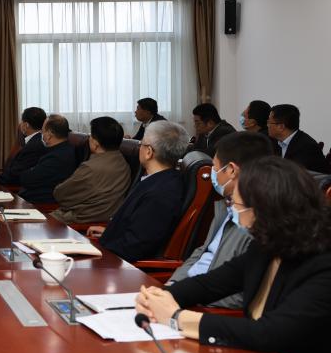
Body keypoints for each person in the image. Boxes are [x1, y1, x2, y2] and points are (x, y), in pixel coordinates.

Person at [137, 157, 331, 353]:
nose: (233, 211)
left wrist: (176, 317)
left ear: (265, 211)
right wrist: (163, 296)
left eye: (236, 204)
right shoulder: (268, 245)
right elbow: (212, 284)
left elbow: (270, 333)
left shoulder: (323, 265)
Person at [168, 131, 275, 307]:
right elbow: (202, 252)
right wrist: (173, 284)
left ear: (231, 170)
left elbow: (241, 295)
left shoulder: (256, 223)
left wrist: (183, 298)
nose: (213, 173)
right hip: (188, 293)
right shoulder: (225, 206)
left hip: (206, 306)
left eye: (215, 167)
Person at [89, 120, 188, 263]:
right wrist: (109, 232)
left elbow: (134, 246)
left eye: (141, 143)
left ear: (148, 152)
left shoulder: (161, 193)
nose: (140, 147)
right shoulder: (159, 179)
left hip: (119, 265)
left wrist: (95, 250)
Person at [52, 116, 132, 225]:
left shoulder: (90, 168)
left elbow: (60, 195)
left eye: (91, 135)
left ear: (95, 143)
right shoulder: (123, 162)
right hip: (104, 218)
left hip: (79, 220)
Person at [16, 114, 79, 204]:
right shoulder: (60, 150)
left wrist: (31, 170)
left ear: (49, 134)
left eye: (42, 131)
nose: (41, 134)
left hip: (43, 205)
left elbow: (27, 179)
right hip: (33, 199)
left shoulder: (57, 157)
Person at [267, 104, 329, 173]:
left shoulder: (307, 148)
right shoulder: (276, 142)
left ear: (281, 127)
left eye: (269, 122)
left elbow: (292, 175)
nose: (267, 125)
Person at [0, 107, 47, 185]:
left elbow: (16, 174)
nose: (20, 124)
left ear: (26, 125)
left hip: (16, 188)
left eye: (21, 121)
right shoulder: (38, 141)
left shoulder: (33, 147)